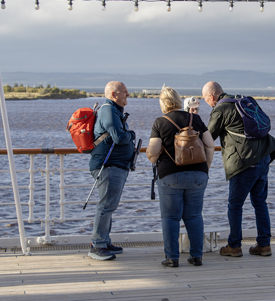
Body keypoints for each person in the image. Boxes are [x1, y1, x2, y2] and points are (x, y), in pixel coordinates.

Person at [202, 81, 275, 257]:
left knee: (235, 205)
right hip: (263, 157)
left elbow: (208, 138)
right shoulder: (245, 100)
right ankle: (264, 244)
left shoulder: (220, 109)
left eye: (205, 99)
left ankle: (234, 245)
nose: (206, 102)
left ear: (212, 96)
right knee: (260, 202)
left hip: (244, 162)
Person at [146, 86, 215, 268]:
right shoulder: (196, 118)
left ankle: (172, 258)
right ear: (178, 100)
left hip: (170, 175)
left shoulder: (160, 122)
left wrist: (155, 156)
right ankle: (196, 256)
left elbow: (152, 153)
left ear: (162, 103)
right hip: (198, 174)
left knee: (170, 218)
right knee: (194, 216)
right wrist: (205, 168)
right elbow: (210, 145)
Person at [88, 81, 136, 261]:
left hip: (115, 165)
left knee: (110, 204)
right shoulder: (108, 109)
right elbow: (118, 136)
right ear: (114, 94)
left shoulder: (113, 110)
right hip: (108, 165)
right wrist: (131, 134)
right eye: (125, 92)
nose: (128, 94)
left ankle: (104, 241)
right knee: (106, 204)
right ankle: (97, 245)